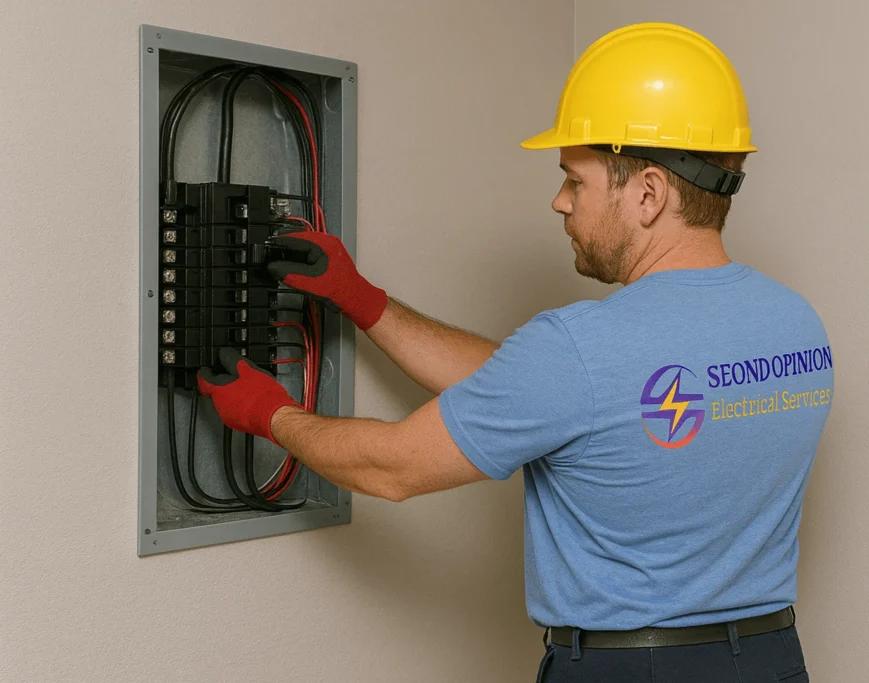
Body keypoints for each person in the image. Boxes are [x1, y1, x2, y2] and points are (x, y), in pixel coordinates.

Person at [198, 22, 832, 683]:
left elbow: (394, 468)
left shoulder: (581, 351)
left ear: (648, 192)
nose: (559, 202)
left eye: (574, 180)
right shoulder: (797, 327)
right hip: (771, 661)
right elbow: (551, 397)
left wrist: (271, 413)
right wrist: (363, 301)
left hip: (631, 671)